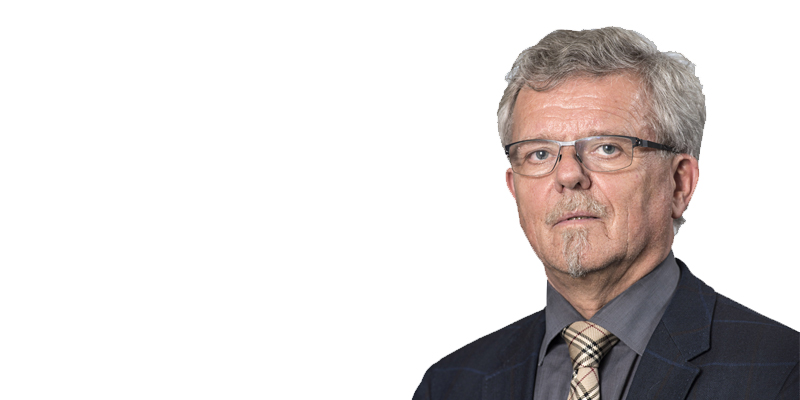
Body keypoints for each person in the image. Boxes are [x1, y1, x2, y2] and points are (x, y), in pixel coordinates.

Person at [413, 27, 799, 400]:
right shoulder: (449, 385)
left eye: (607, 148)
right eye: (539, 154)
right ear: (515, 189)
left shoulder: (782, 373)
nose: (568, 175)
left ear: (679, 183)